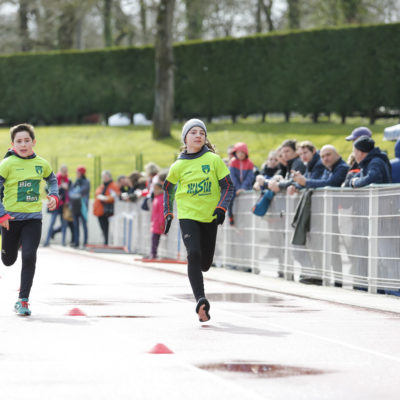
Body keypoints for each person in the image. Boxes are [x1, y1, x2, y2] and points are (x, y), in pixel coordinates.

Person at [163, 119, 234, 323]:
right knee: (193, 254)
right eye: (193, 132)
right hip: (188, 216)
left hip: (209, 217)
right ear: (185, 138)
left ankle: (201, 281)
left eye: (201, 132)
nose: (198, 135)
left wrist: (221, 208)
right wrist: (168, 213)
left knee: (204, 263)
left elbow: (228, 186)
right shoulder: (178, 165)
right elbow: (168, 189)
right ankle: (201, 300)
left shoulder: (213, 160)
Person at [0, 124, 59, 316]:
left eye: (27, 141)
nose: (23, 144)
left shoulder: (41, 163)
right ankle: (14, 243)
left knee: (29, 256)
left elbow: (52, 179)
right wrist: (2, 215)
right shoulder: (6, 164)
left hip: (33, 219)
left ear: (33, 142)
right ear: (12, 144)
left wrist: (54, 196)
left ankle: (23, 300)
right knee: (8, 261)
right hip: (10, 219)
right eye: (19, 141)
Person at [44, 165, 72, 246]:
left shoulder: (68, 180)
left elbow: (70, 191)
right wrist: (59, 187)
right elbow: (47, 188)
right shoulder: (56, 178)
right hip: (56, 204)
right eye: (63, 171)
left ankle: (63, 242)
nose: (64, 173)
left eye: (65, 171)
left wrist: (67, 187)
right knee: (52, 223)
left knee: (64, 224)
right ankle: (47, 241)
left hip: (64, 205)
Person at [228, 142, 254, 225]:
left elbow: (249, 177)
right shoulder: (232, 162)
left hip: (246, 188)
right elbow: (232, 177)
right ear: (235, 152)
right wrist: (238, 188)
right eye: (239, 152)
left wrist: (243, 188)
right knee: (230, 199)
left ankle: (245, 221)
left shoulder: (250, 163)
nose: (241, 154)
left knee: (246, 205)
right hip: (235, 187)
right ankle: (230, 215)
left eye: (243, 152)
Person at [93, 170, 120, 245]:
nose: (103, 178)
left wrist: (106, 198)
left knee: (108, 229)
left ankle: (107, 242)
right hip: (100, 211)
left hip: (108, 211)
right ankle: (105, 241)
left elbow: (115, 196)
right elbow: (97, 194)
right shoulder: (102, 186)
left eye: (105, 177)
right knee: (103, 228)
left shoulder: (113, 186)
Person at [70, 165, 90, 248]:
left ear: (81, 173)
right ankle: (76, 242)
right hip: (75, 206)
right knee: (76, 225)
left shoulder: (86, 182)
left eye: (78, 172)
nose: (76, 174)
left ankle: (85, 242)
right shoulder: (77, 181)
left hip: (83, 206)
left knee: (84, 225)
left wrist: (75, 191)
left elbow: (80, 191)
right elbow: (71, 191)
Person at [149, 182, 164, 259]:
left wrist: (161, 223)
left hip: (158, 222)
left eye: (155, 189)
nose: (154, 191)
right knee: (154, 239)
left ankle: (153, 253)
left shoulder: (161, 198)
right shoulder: (157, 197)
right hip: (155, 222)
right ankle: (153, 253)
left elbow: (162, 212)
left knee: (155, 239)